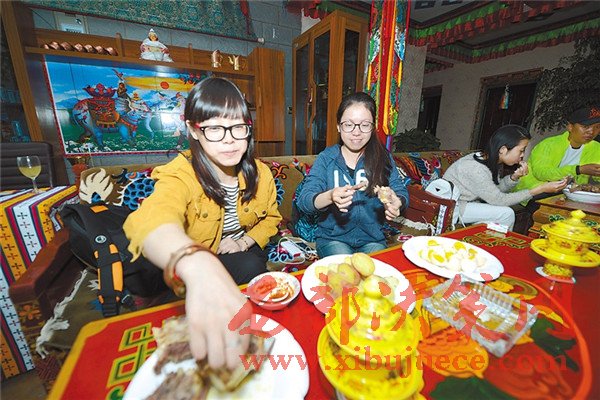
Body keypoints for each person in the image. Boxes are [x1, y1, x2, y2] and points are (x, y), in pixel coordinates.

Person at [123, 77, 281, 370]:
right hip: (192, 259)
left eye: (238, 127)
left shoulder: (261, 173)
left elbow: (272, 219)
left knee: (252, 264)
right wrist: (199, 262)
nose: (229, 139)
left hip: (239, 252)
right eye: (214, 128)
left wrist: (243, 241)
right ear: (194, 130)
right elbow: (152, 218)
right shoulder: (181, 173)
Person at [296, 92, 409, 257]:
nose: (356, 132)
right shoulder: (326, 158)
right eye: (348, 124)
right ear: (338, 126)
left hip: (373, 239)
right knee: (344, 269)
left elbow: (401, 191)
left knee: (374, 270)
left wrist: (397, 201)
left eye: (365, 125)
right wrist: (330, 196)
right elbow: (304, 201)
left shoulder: (383, 157)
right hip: (333, 239)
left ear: (373, 127)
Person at [443, 125, 568, 230]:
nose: (522, 156)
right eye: (521, 150)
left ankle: (485, 243)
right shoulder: (476, 168)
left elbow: (495, 191)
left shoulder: (489, 161)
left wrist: (514, 177)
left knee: (495, 220)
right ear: (503, 149)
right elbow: (499, 200)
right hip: (452, 207)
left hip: (467, 204)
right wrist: (540, 189)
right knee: (506, 214)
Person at [514, 105, 600, 207]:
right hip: (536, 192)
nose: (591, 131)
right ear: (570, 127)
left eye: (597, 127)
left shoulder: (596, 148)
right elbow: (541, 173)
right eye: (585, 127)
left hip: (571, 194)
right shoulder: (548, 145)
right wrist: (578, 170)